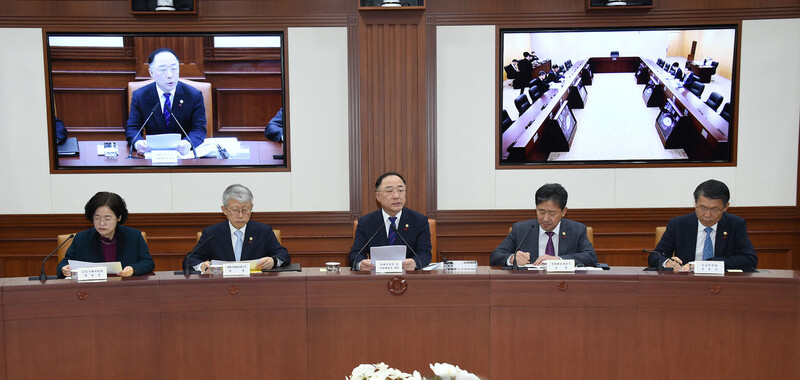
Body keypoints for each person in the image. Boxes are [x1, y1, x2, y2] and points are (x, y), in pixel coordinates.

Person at [649, 179, 758, 271]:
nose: (707, 215)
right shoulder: (678, 224)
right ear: (695, 204)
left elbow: (749, 259)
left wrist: (705, 265)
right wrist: (667, 262)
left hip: (723, 284)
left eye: (714, 209)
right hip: (687, 284)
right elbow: (655, 256)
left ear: (726, 207)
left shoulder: (735, 225)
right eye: (702, 208)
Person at [187, 184, 290, 272]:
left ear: (251, 207)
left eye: (245, 210)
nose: (240, 215)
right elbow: (190, 259)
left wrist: (273, 261)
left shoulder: (263, 231)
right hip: (221, 288)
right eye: (235, 210)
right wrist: (202, 266)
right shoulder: (212, 234)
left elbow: (283, 255)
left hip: (255, 286)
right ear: (224, 210)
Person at [490, 183, 597, 267]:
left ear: (564, 211)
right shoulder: (521, 230)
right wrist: (512, 259)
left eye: (552, 213)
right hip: (531, 288)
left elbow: (590, 257)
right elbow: (495, 256)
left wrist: (558, 260)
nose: (545, 218)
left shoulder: (577, 230)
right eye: (541, 212)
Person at [125, 47, 207, 155]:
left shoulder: (193, 95)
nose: (170, 75)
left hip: (184, 155)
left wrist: (188, 143)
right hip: (152, 156)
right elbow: (133, 128)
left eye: (174, 68)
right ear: (151, 73)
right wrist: (138, 143)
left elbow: (199, 128)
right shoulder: (140, 96)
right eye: (163, 70)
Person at [57, 192, 155, 278]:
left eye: (107, 219)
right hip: (91, 292)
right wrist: (64, 269)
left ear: (119, 217)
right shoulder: (82, 238)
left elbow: (148, 262)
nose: (102, 223)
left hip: (125, 290)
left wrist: (133, 269)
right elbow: (64, 264)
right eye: (97, 218)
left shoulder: (133, 236)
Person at [349, 172, 432, 272]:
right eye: (389, 191)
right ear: (378, 196)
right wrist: (360, 264)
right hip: (376, 280)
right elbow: (356, 254)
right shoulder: (366, 222)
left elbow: (425, 253)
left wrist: (415, 263)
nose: (396, 196)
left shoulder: (419, 221)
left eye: (400, 190)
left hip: (410, 279)